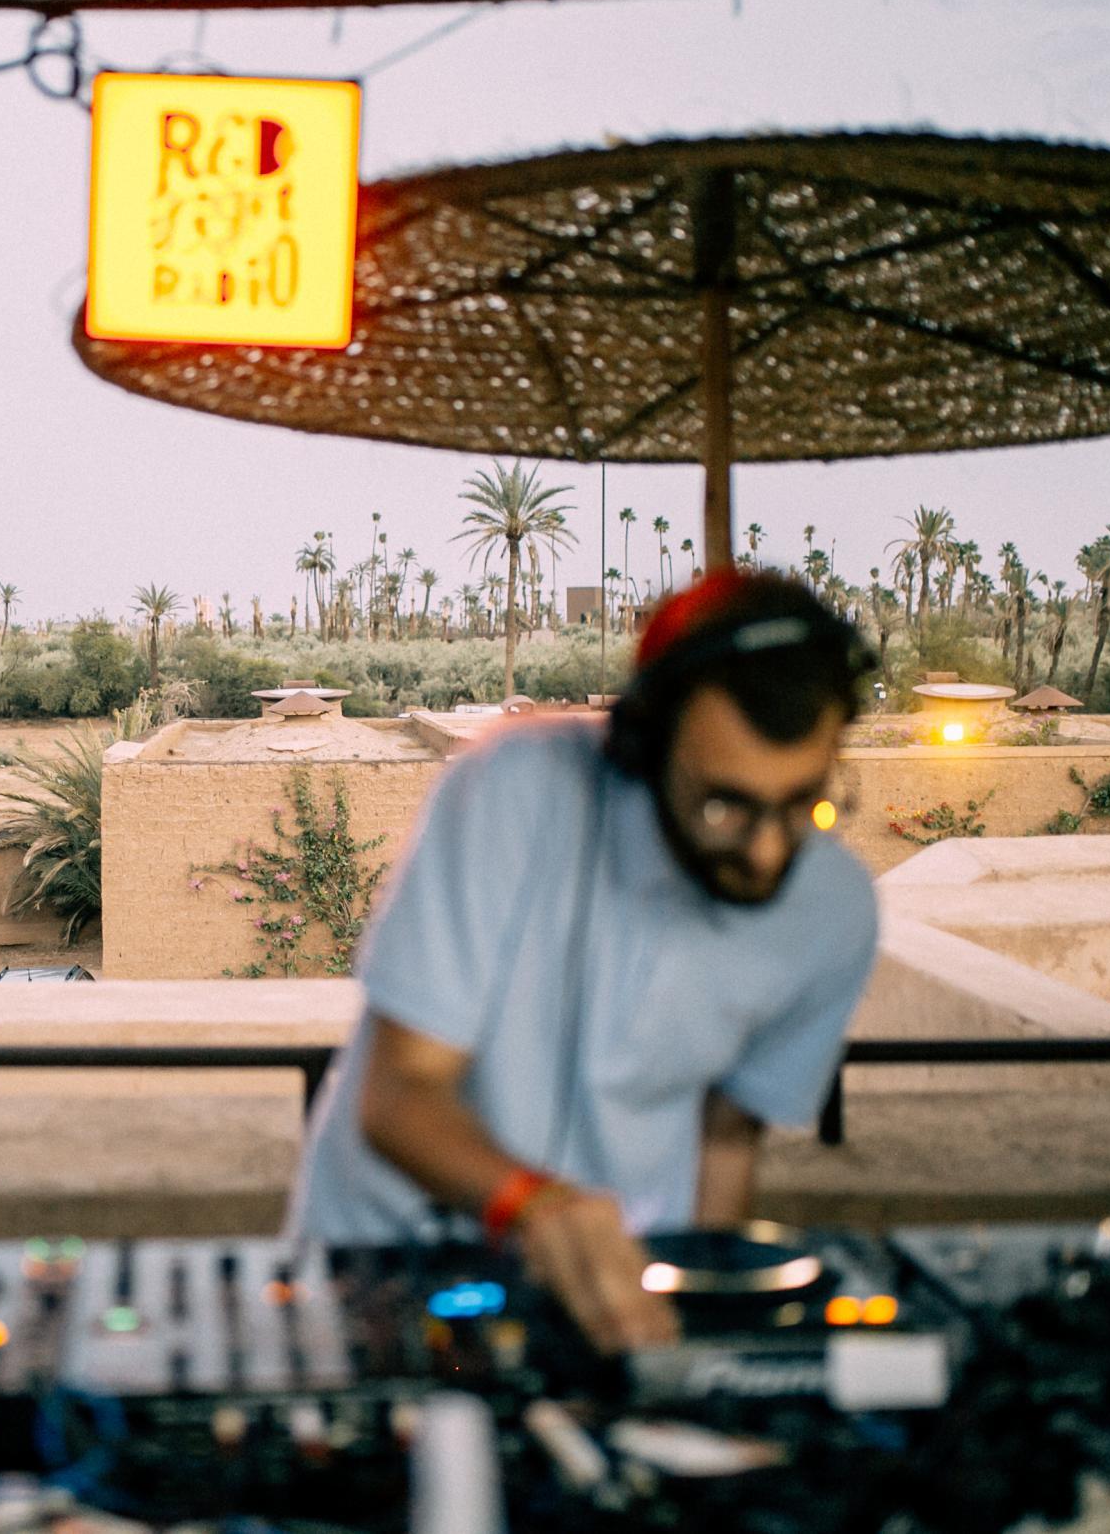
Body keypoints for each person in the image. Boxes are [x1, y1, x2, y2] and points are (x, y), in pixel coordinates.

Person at [295, 570, 880, 1353]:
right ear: (645, 744)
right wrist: (536, 1207)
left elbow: (728, 1139)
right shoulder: (510, 788)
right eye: (724, 806)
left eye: (804, 801)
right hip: (389, 1264)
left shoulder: (835, 911)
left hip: (625, 1283)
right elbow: (402, 1094)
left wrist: (702, 1326)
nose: (766, 849)